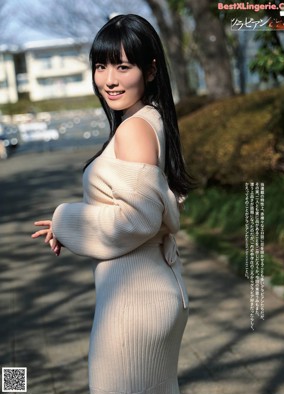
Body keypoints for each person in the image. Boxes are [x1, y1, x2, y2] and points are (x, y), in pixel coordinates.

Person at [32, 14, 193, 394]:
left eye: (123, 66)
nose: (109, 79)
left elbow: (138, 218)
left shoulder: (134, 128)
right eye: (101, 66)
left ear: (151, 70)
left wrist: (66, 218)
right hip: (151, 288)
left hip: (133, 298)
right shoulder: (150, 119)